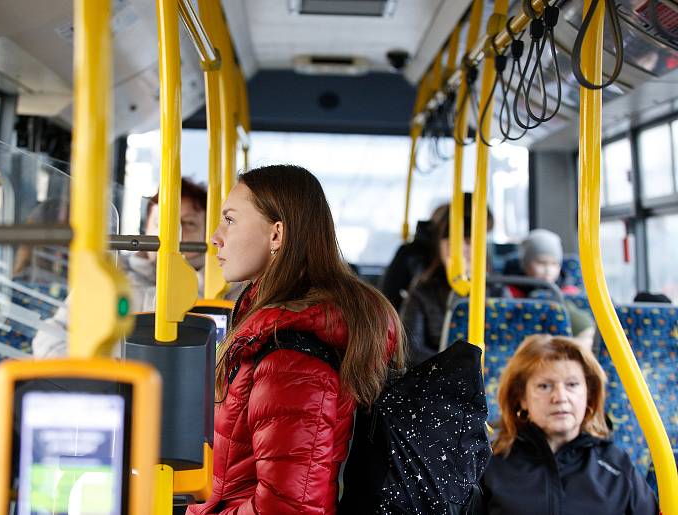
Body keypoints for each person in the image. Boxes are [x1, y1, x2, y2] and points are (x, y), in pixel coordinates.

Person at [187, 165, 404, 514]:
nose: (216, 236)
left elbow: (289, 509)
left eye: (230, 219)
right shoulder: (269, 331)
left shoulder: (290, 360)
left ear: (277, 235)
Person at [32, 178, 224, 358]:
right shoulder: (109, 275)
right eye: (161, 223)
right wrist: (102, 375)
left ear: (206, 233)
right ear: (146, 228)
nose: (176, 235)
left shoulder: (220, 290)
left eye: (189, 224)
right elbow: (49, 339)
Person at [481, 334, 658, 515]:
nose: (560, 397)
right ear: (522, 398)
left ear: (588, 394)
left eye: (572, 384)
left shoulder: (615, 465)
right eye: (544, 386)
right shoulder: (490, 462)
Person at [400, 196, 494, 365]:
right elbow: (411, 348)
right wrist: (454, 367)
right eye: (451, 244)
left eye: (468, 242)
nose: (461, 251)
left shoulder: (497, 289)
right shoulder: (424, 291)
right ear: (440, 247)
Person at [507, 229, 595, 345]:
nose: (548, 270)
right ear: (526, 264)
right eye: (541, 263)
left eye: (554, 264)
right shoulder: (509, 292)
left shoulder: (569, 291)